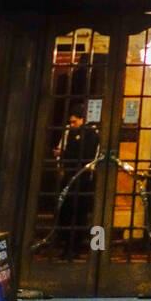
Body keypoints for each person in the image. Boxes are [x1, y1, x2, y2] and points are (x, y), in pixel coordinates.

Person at [54, 102, 101, 259]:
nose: (71, 124)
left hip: (82, 178)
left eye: (74, 121)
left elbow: (85, 156)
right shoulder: (71, 132)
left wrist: (65, 155)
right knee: (67, 211)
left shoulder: (91, 134)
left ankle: (77, 246)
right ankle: (68, 245)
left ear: (82, 119)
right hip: (71, 176)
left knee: (78, 212)